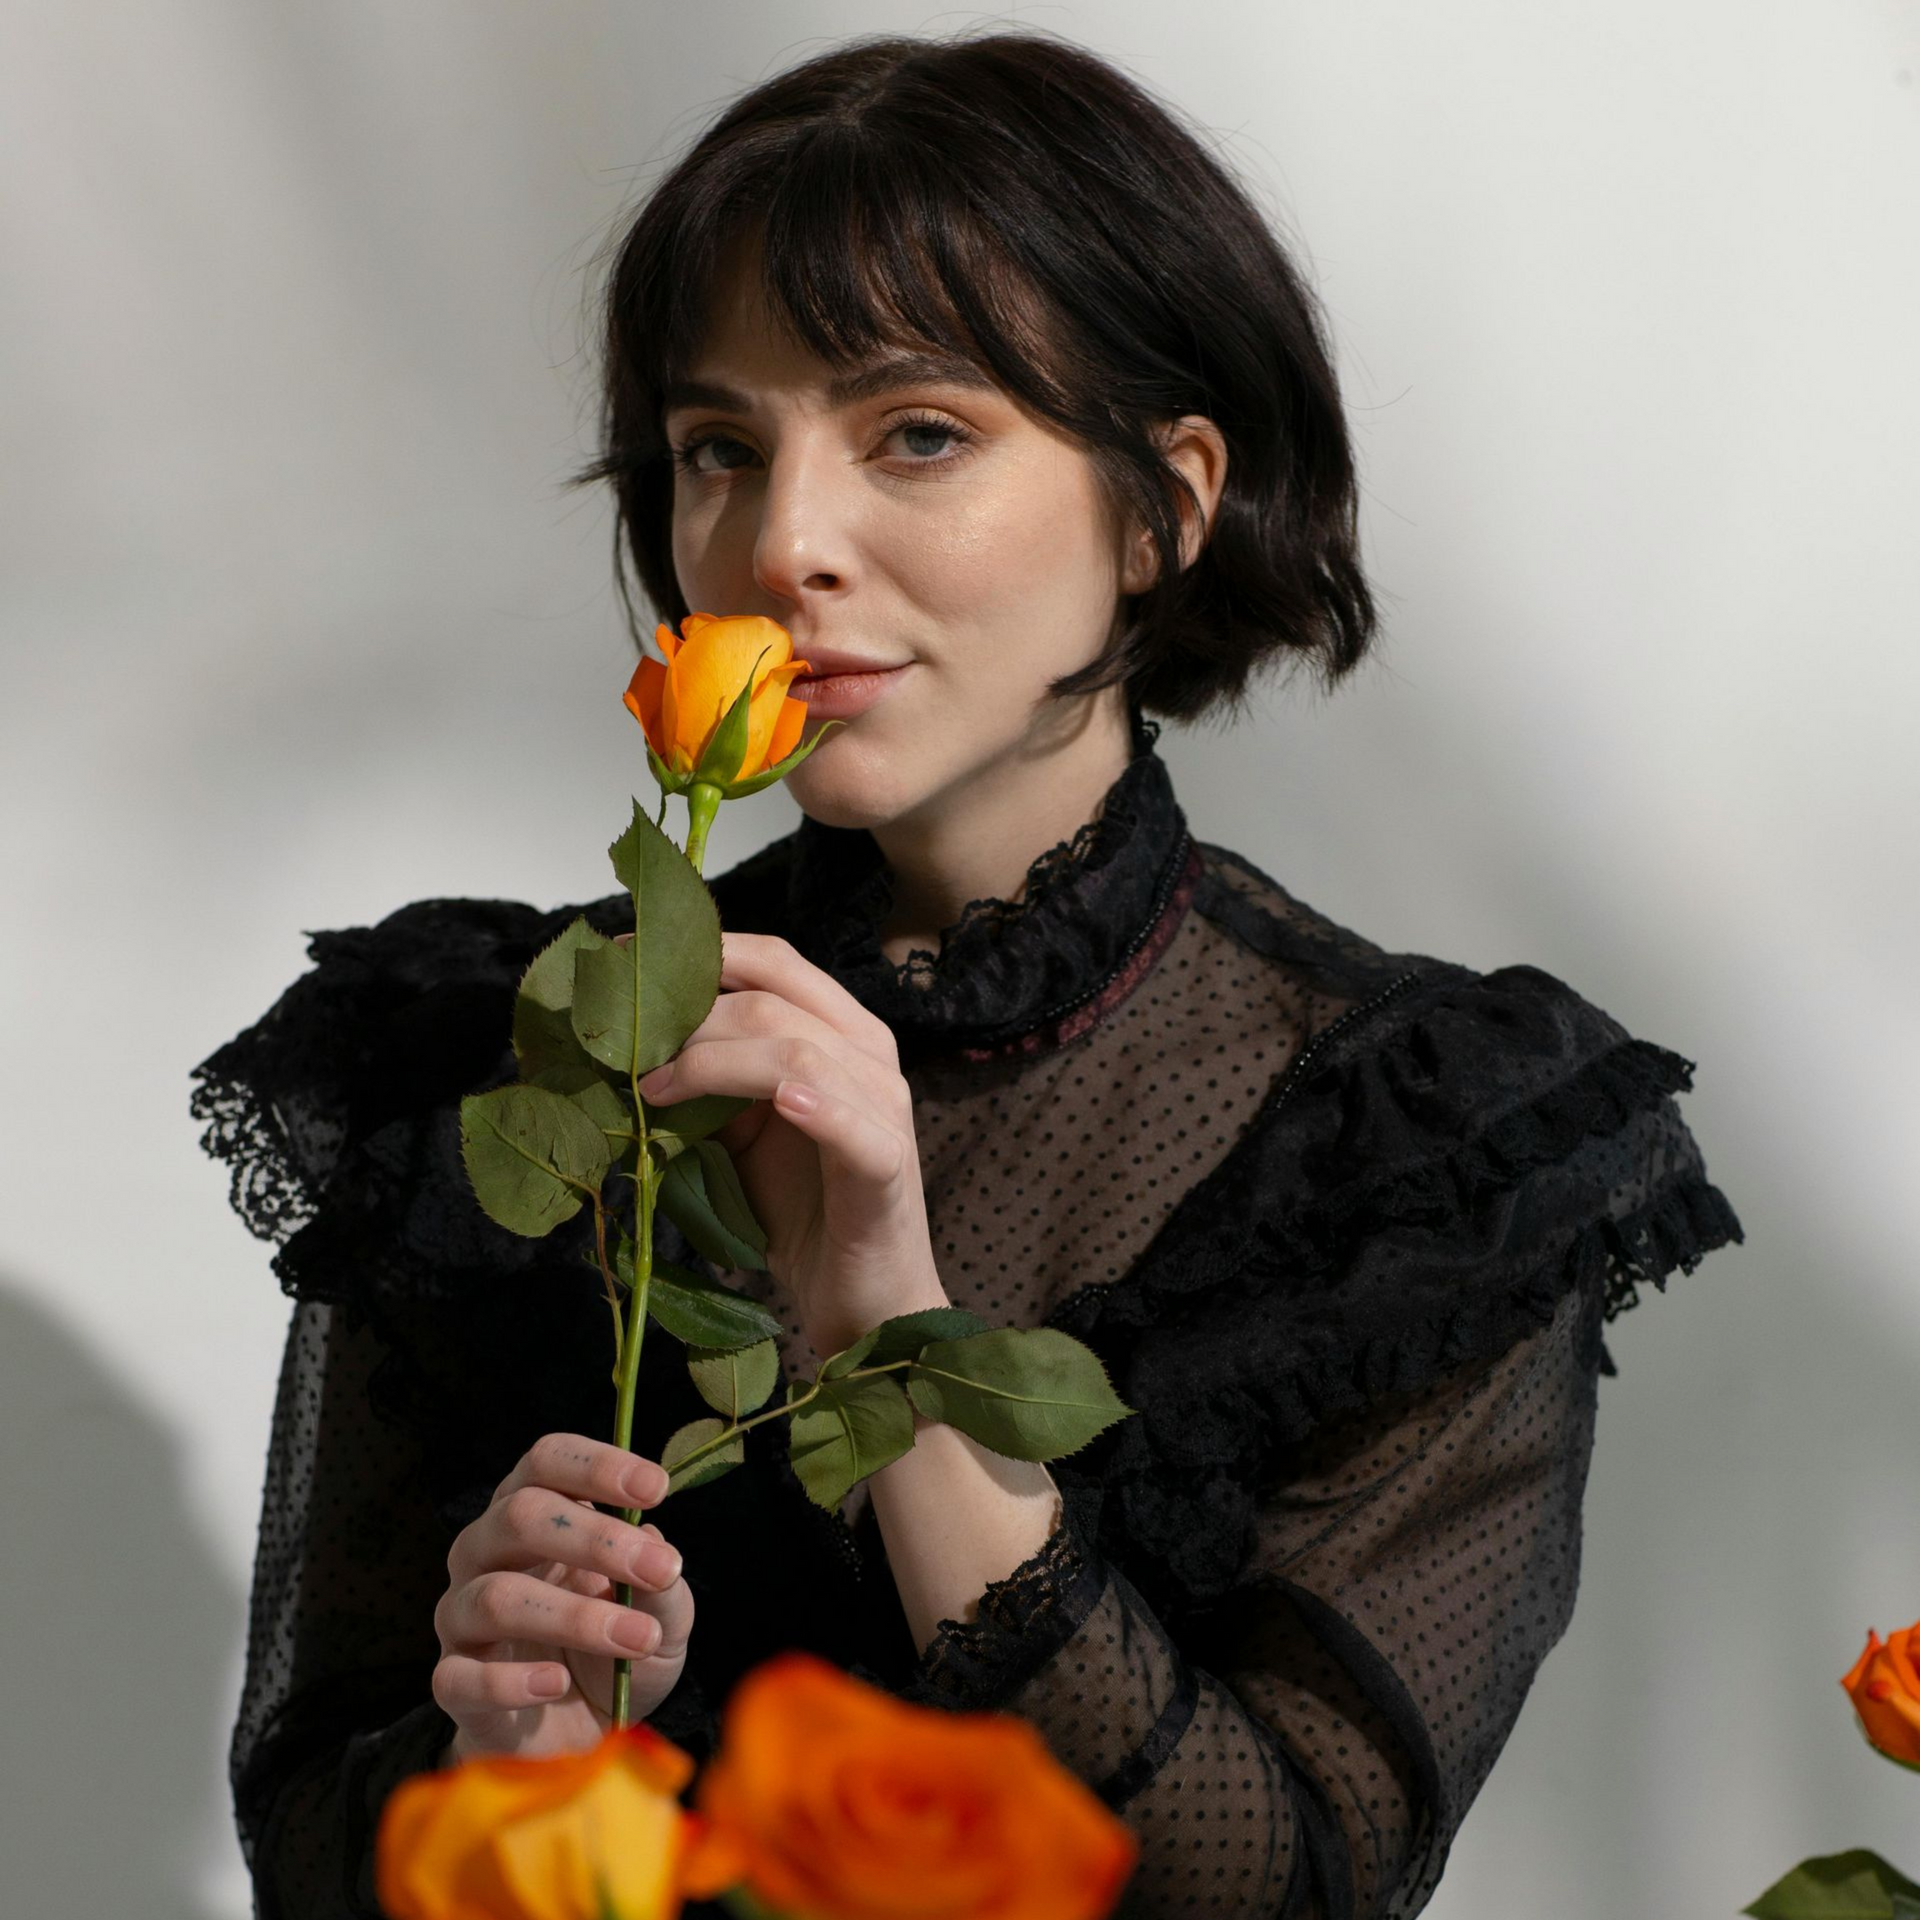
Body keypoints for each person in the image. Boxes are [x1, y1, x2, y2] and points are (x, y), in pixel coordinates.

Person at [190, 30, 1745, 1920]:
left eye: (916, 433)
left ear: (1164, 507)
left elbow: (1290, 1892)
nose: (779, 546)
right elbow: (308, 1850)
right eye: (718, 451)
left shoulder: (1417, 1152)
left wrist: (893, 1329)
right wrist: (505, 1770)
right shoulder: (519, 1076)